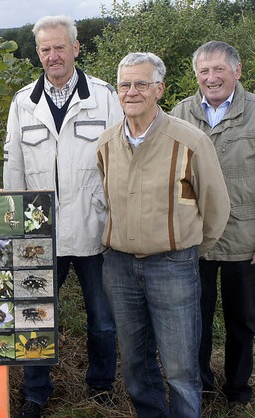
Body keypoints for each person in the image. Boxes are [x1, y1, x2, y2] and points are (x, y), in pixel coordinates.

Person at [96, 52, 230, 418]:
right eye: (125, 84)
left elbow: (216, 208)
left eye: (142, 84)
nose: (132, 92)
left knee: (180, 369)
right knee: (136, 366)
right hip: (119, 267)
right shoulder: (106, 144)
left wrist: (184, 250)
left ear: (160, 89)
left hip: (173, 266)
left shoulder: (190, 141)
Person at [3, 15, 122, 418]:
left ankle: (102, 386)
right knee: (34, 315)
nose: (53, 56)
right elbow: (13, 167)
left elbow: (121, 163)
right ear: (37, 53)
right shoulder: (23, 102)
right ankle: (36, 392)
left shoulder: (104, 96)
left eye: (59, 47)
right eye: (45, 49)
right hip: (40, 233)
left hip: (95, 228)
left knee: (103, 320)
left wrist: (116, 220)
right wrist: (14, 226)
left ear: (75, 48)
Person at [170, 41, 255, 417]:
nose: (211, 77)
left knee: (243, 320)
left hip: (244, 237)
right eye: (204, 71)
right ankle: (201, 385)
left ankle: (238, 389)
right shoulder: (180, 113)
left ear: (237, 71)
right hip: (196, 237)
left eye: (219, 69)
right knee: (195, 319)